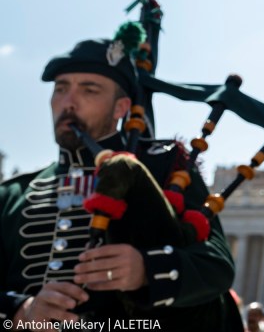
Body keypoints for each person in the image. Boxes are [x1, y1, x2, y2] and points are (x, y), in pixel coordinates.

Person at [0, 30, 239, 328]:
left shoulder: (167, 168)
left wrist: (146, 270)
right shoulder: (13, 195)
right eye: (61, 88)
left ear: (121, 108)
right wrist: (20, 309)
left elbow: (215, 265)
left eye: (89, 90)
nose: (68, 102)